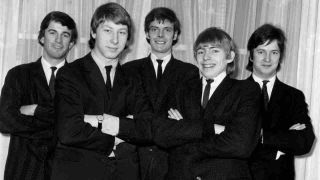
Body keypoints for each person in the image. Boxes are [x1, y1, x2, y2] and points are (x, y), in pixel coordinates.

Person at [50, 3, 156, 180]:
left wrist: (93, 120)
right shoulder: (70, 73)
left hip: (124, 172)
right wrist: (116, 137)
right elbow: (69, 130)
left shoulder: (134, 79)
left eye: (121, 32)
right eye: (107, 30)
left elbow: (149, 127)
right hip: (79, 173)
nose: (115, 40)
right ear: (93, 32)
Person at [156, 27, 262, 180]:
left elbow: (241, 145)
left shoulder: (247, 91)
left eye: (214, 51)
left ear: (230, 56)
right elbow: (161, 134)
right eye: (200, 51)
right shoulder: (180, 88)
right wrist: (213, 128)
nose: (206, 57)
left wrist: (185, 129)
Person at [122, 7, 199, 180]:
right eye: (154, 29)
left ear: (176, 35)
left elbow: (189, 120)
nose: (160, 35)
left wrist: (137, 119)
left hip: (171, 160)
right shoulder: (128, 70)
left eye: (167, 30)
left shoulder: (189, 72)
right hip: (135, 158)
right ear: (147, 34)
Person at [0, 11, 77, 180]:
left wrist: (36, 110)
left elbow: (80, 126)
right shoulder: (18, 75)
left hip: (64, 173)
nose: (58, 40)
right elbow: (5, 121)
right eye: (52, 33)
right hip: (23, 172)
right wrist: (58, 124)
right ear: (42, 37)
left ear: (71, 43)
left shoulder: (80, 80)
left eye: (65, 35)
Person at [246, 23, 315, 180]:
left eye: (274, 52)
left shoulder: (294, 96)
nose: (267, 59)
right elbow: (232, 141)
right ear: (251, 55)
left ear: (280, 56)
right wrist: (280, 146)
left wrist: (262, 136)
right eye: (261, 52)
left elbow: (304, 142)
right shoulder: (235, 92)